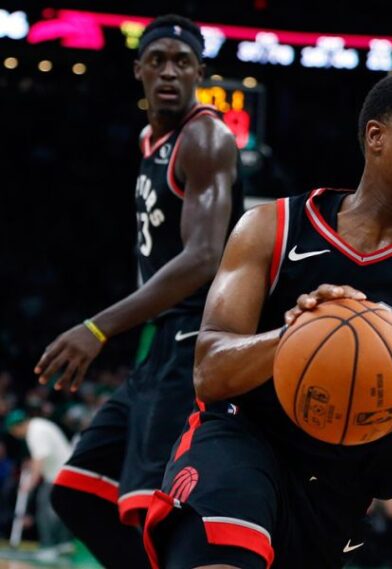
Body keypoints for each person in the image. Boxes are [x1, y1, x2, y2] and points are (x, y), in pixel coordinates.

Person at [141, 71, 392, 569]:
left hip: (341, 493)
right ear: (376, 137)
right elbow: (209, 371)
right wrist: (297, 338)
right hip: (239, 441)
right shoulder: (271, 228)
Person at [35, 14, 242, 568]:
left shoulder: (205, 137)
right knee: (76, 493)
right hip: (160, 345)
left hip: (194, 339)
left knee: (156, 512)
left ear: (200, 72)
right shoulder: (151, 140)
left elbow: (203, 257)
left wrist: (97, 327)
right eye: (157, 61)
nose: (169, 72)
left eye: (182, 62)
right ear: (138, 70)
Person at [6, 410, 73, 557]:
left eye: (13, 432)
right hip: (66, 474)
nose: (15, 435)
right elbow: (46, 453)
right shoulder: (40, 425)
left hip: (57, 477)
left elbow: (39, 460)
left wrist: (30, 484)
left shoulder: (35, 432)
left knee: (44, 510)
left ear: (17, 427)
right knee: (61, 510)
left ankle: (49, 548)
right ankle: (64, 545)